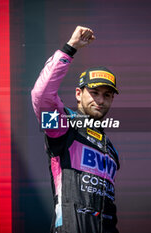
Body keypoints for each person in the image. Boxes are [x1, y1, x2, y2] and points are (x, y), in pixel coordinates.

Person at [31, 25, 120, 233]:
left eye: (107, 95)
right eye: (95, 92)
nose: (100, 100)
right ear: (79, 94)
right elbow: (41, 96)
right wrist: (70, 48)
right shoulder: (64, 126)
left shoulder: (111, 150)